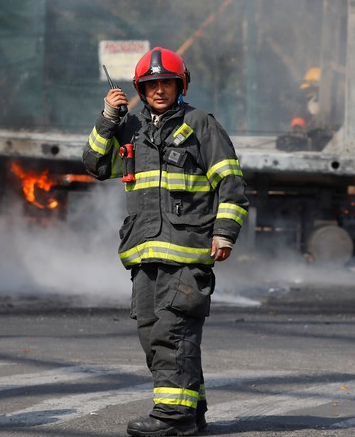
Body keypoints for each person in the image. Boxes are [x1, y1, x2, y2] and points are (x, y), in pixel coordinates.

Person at [83, 47, 249, 437]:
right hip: (144, 252)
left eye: (167, 83)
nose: (159, 90)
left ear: (180, 85)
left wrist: (224, 232)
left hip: (187, 251)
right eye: (151, 84)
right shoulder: (131, 128)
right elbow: (96, 164)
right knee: (152, 333)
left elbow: (231, 182)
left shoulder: (200, 124)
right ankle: (192, 408)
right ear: (141, 89)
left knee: (171, 333)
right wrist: (108, 118)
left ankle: (174, 418)